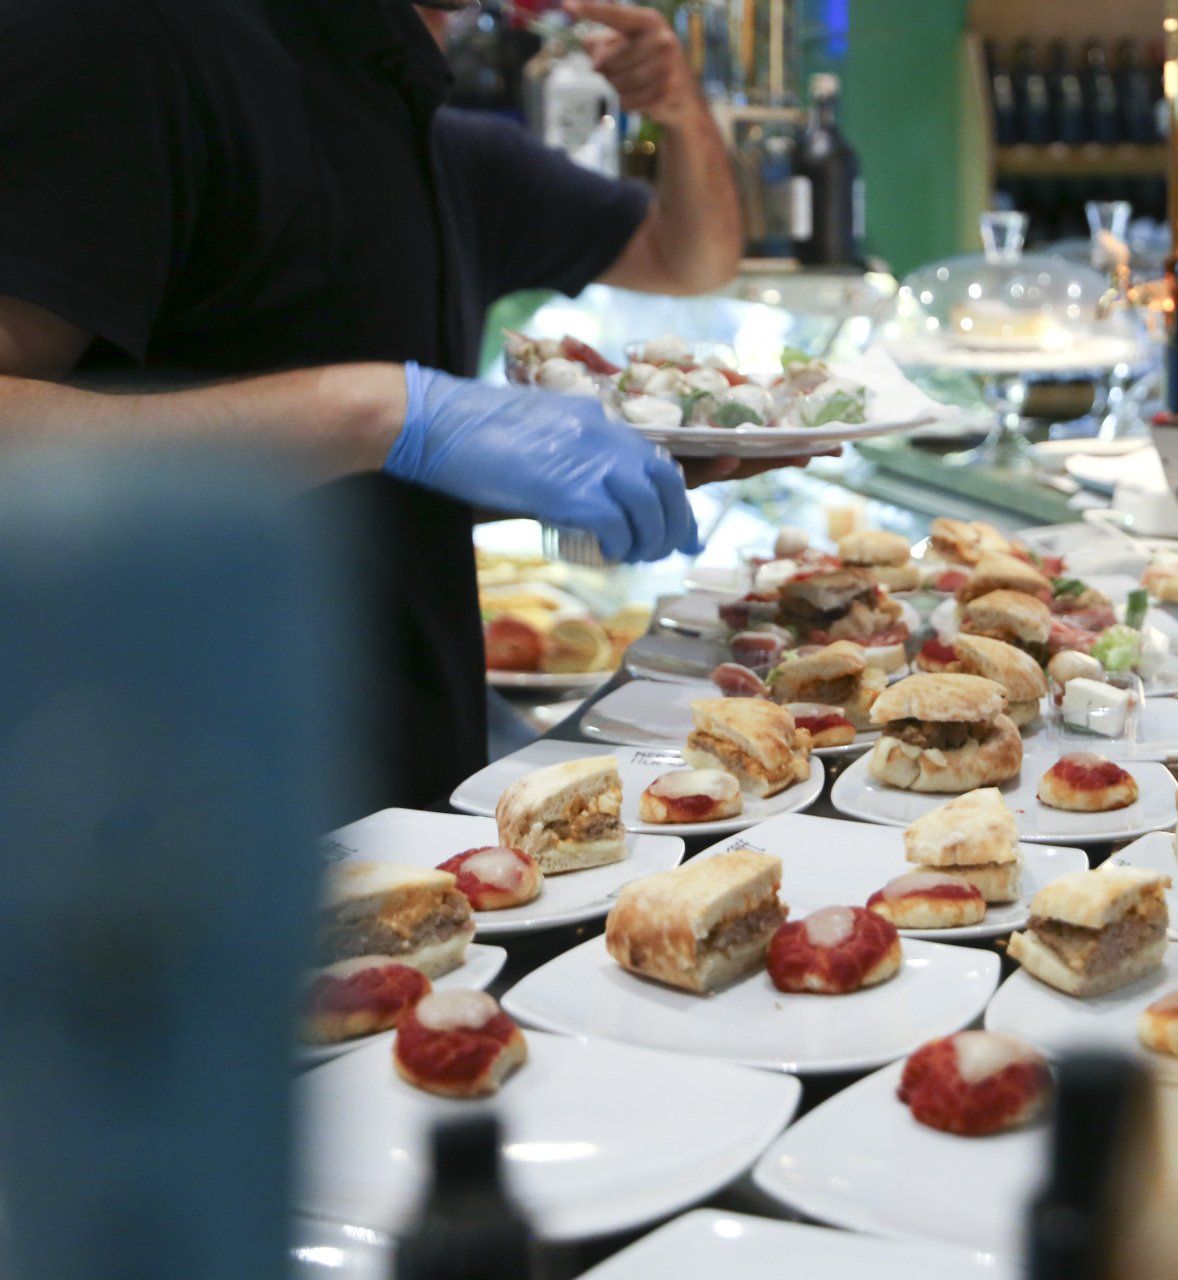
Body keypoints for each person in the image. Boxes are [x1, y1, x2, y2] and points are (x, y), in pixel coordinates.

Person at [0, 0, 787, 815]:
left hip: (397, 797)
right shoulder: (124, 36)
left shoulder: (426, 130)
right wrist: (385, 411)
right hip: (158, 830)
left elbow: (694, 261)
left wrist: (532, 466)